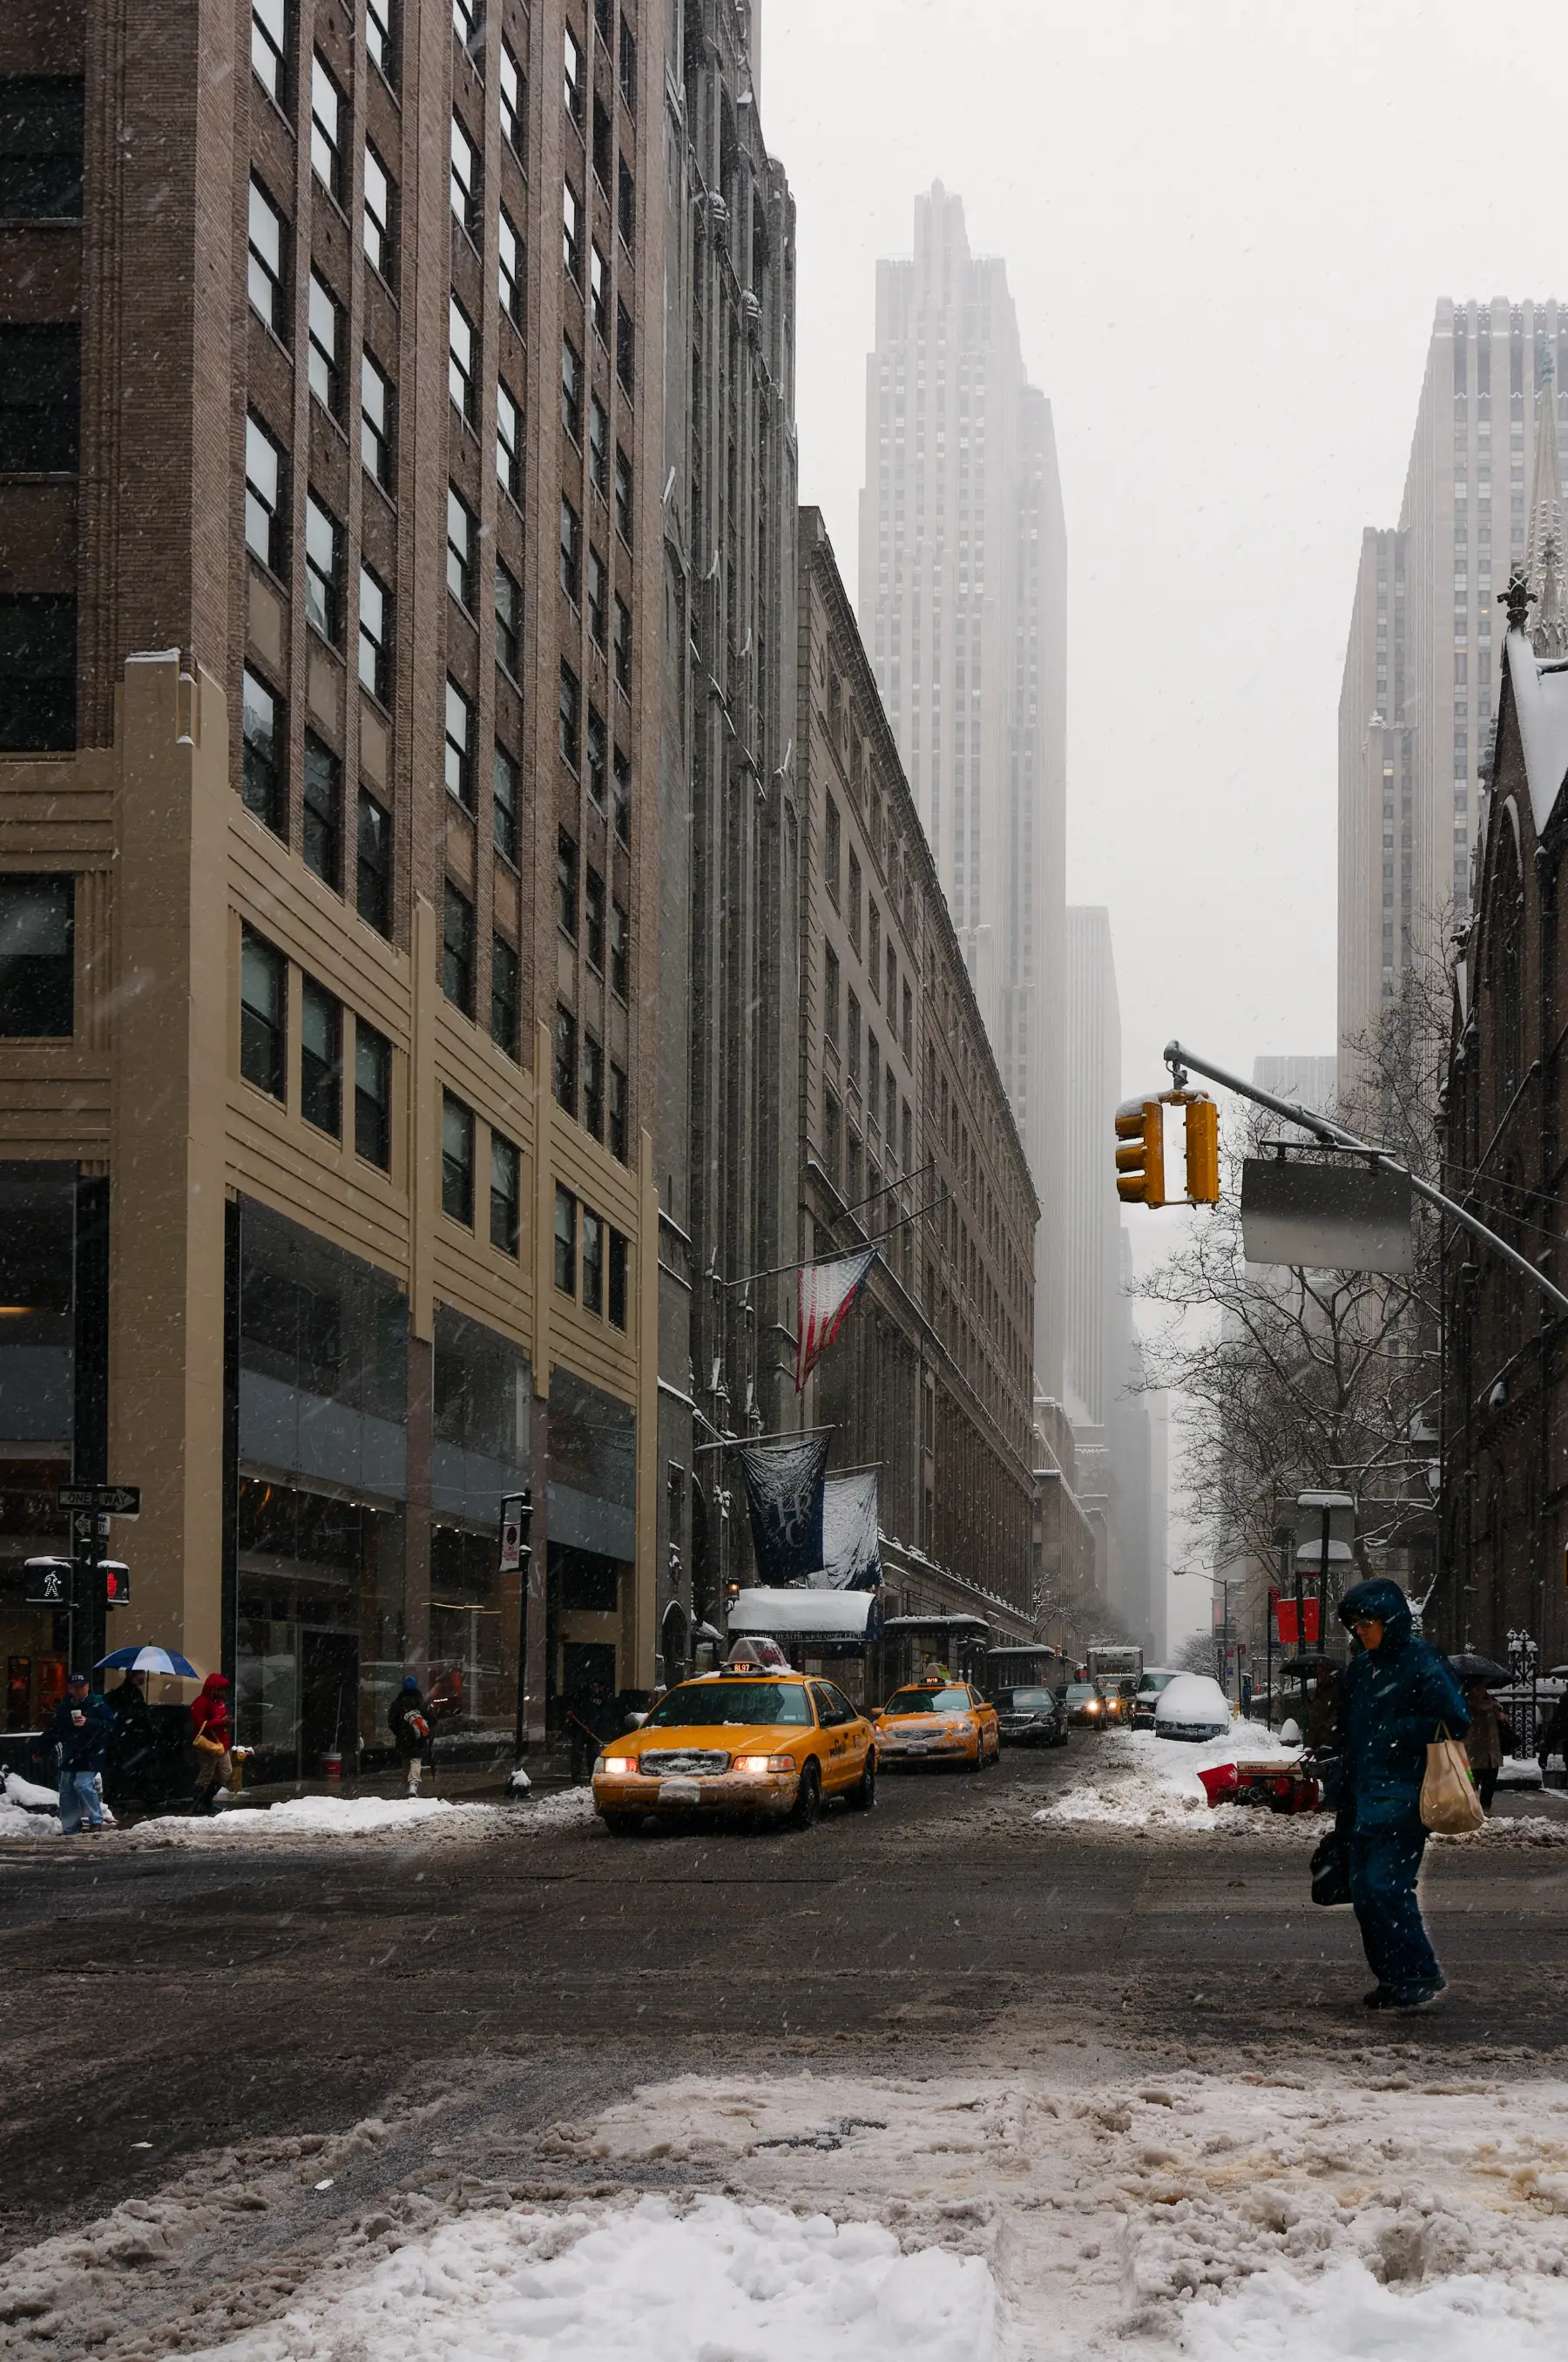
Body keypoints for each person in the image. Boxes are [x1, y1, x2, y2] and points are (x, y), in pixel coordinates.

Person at [1336, 1575, 1469, 2011]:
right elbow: (1351, 1736)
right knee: (1364, 1892)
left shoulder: (1421, 1661)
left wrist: (1398, 1733)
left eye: (1366, 1622)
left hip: (1405, 1797)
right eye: (1355, 1625)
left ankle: (1417, 1972)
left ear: (1389, 1619)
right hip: (1362, 1799)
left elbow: (1455, 1720)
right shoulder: (1361, 1670)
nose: (1360, 1631)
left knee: (1385, 1887)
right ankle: (1394, 1978)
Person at [44, 1672, 114, 1834]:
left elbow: (110, 1725)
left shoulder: (97, 1703)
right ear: (69, 1688)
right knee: (66, 1789)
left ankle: (96, 1820)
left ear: (87, 1687)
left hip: (92, 1752)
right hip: (72, 1752)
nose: (78, 1691)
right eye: (75, 1688)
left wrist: (89, 1723)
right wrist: (42, 1748)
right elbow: (55, 1729)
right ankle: (70, 1827)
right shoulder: (65, 1705)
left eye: (81, 1687)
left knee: (82, 1784)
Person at [189, 1671, 235, 1813]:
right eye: (220, 1690)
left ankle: (207, 1800)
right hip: (208, 1744)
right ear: (213, 1689)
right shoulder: (201, 1702)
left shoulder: (219, 1702)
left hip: (221, 1743)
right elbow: (200, 1724)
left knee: (225, 1772)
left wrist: (226, 1722)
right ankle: (199, 1803)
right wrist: (220, 1721)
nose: (222, 1693)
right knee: (207, 1774)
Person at [1463, 1676, 1504, 1812]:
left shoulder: (1494, 1704)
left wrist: (1502, 1717)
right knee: (1471, 1785)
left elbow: (1504, 1724)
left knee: (1489, 1785)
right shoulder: (1465, 1705)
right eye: (1478, 1687)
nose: (1480, 1690)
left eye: (1482, 1687)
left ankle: (1484, 1810)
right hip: (1473, 1751)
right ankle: (1471, 1811)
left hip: (1492, 1753)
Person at [389, 1675, 434, 1795]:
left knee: (405, 1762)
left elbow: (391, 1722)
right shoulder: (421, 1702)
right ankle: (413, 1783)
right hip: (418, 1738)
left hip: (403, 1739)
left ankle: (407, 1785)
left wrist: (400, 1732)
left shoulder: (398, 1704)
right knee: (416, 1761)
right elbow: (432, 1719)